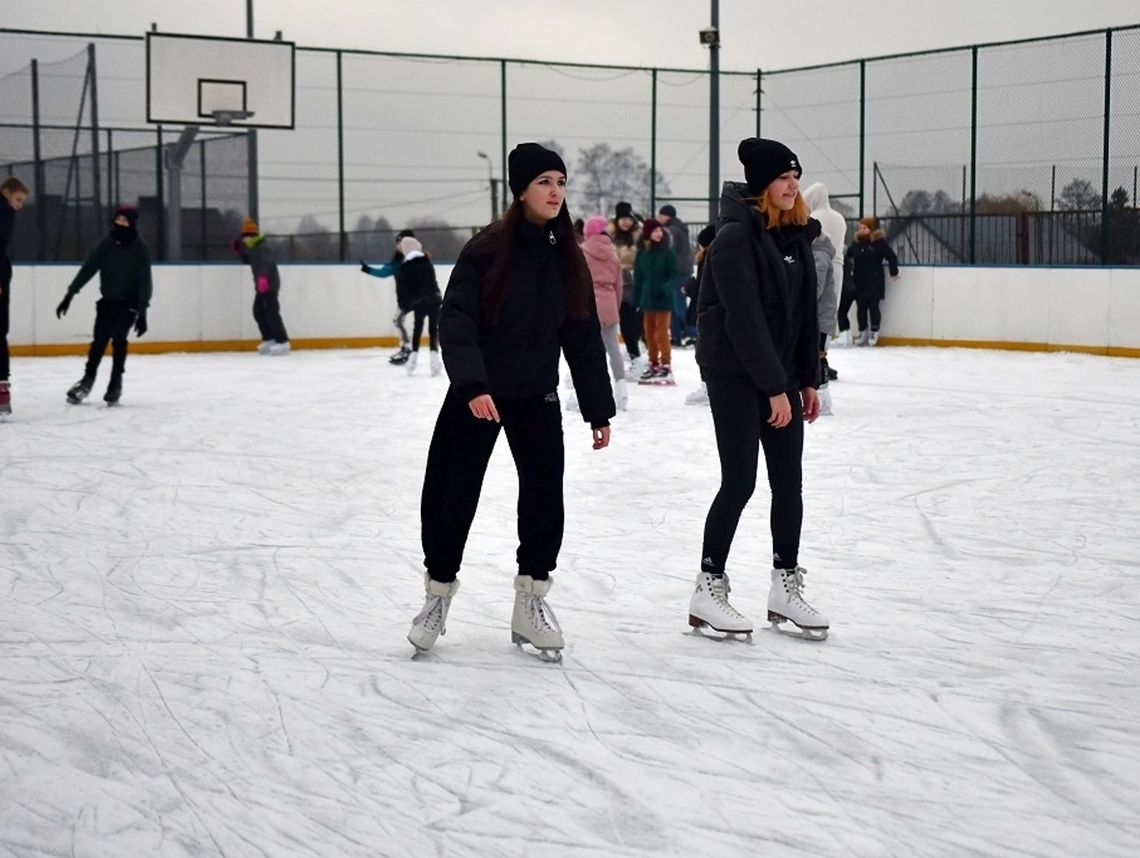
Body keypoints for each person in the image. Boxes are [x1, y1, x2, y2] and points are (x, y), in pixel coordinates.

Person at [408, 143, 615, 660]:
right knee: (450, 494)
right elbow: (455, 321)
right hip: (478, 395)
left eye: (561, 183)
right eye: (545, 182)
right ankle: (437, 595)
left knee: (545, 497)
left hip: (536, 393)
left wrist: (597, 407)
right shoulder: (486, 250)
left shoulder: (567, 255)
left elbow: (583, 334)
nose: (555, 192)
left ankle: (531, 601)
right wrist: (474, 387)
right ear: (521, 189)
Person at [688, 137, 828, 641]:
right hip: (733, 375)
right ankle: (708, 586)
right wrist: (774, 388)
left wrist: (809, 377)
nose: (793, 185)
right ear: (762, 184)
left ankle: (783, 586)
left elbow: (804, 316)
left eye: (796, 176)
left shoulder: (795, 237)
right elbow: (744, 321)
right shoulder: (733, 239)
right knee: (740, 481)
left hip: (780, 378)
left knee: (789, 482)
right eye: (783, 178)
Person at [55, 205, 152, 406]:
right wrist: (70, 294)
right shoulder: (106, 245)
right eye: (118, 220)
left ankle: (115, 383)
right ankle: (86, 382)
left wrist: (142, 312)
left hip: (129, 303)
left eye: (125, 221)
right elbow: (89, 268)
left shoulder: (140, 248)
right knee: (99, 341)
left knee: (118, 339)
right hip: (108, 301)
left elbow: (145, 281)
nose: (120, 224)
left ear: (132, 224)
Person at [578, 215, 627, 410]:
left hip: (589, 305)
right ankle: (621, 387)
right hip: (609, 303)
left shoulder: (582, 252)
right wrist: (615, 306)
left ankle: (589, 392)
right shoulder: (613, 254)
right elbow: (619, 286)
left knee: (589, 350)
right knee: (613, 348)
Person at [802, 182, 848, 371]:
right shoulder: (839, 218)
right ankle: (823, 354)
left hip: (818, 263)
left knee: (816, 309)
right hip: (838, 265)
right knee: (830, 309)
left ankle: (815, 357)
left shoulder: (814, 217)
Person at [233, 218, 290, 355]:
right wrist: (239, 251)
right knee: (258, 311)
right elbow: (249, 260)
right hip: (261, 285)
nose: (244, 240)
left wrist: (263, 278)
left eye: (245, 237)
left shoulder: (264, 245)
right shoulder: (253, 246)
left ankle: (283, 342)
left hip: (269, 284)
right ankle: (269, 338)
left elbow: (267, 262)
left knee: (271, 312)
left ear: (250, 236)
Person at [361, 227, 417, 365]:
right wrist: (368, 269)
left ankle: (408, 348)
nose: (397, 246)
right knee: (398, 321)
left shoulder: (411, 260)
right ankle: (406, 347)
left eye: (400, 243)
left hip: (413, 298)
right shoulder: (398, 261)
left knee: (398, 320)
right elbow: (385, 272)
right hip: (405, 298)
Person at [633, 217, 678, 385]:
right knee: (649, 334)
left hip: (663, 300)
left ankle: (666, 365)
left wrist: (665, 289)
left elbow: (674, 275)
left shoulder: (668, 252)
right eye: (655, 231)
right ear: (647, 233)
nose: (659, 234)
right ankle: (653, 363)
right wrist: (636, 300)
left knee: (661, 333)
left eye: (660, 230)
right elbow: (638, 278)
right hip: (647, 299)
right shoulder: (642, 253)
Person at [392, 235, 442, 376]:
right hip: (434, 299)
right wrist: (437, 296)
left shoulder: (405, 266)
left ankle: (413, 359)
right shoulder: (426, 262)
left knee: (418, 328)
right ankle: (434, 360)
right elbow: (433, 282)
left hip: (419, 302)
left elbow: (405, 289)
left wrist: (405, 305)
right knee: (434, 329)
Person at [845, 215, 899, 346]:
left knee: (874, 307)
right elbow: (848, 256)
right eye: (860, 227)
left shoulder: (879, 243)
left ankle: (874, 331)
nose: (861, 230)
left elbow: (891, 256)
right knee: (861, 307)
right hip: (859, 280)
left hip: (875, 281)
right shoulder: (857, 243)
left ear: (872, 229)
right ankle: (862, 331)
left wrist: (894, 272)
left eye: (864, 227)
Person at [0, 177, 28, 415]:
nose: (19, 205)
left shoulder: (8, 212)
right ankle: (1, 389)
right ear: (6, 192)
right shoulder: (5, 213)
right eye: (17, 199)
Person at [607, 202, 645, 376]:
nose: (626, 223)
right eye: (623, 219)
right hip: (610, 286)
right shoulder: (608, 235)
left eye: (629, 219)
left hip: (630, 286)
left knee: (629, 323)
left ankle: (635, 356)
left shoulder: (639, 235)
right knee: (605, 326)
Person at [683, 223, 716, 406]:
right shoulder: (707, 257)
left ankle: (707, 386)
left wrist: (690, 288)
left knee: (704, 350)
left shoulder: (709, 257)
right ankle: (707, 385)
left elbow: (704, 286)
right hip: (705, 311)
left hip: (705, 312)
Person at [808, 220, 839, 416]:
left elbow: (815, 289)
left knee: (819, 356)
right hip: (818, 317)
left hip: (821, 319)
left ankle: (823, 395)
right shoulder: (817, 253)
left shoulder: (819, 255)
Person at [658, 204, 694, 347]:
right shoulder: (679, 228)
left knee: (677, 304)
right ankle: (677, 334)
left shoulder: (671, 230)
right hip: (683, 269)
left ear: (668, 216)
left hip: (677, 271)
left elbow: (668, 250)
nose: (659, 218)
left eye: (661, 215)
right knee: (675, 304)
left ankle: (691, 332)